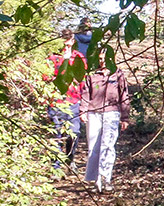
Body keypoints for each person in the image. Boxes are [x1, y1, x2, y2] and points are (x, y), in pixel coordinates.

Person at [79, 64, 131, 192]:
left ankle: (106, 178)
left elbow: (124, 95)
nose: (102, 61)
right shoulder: (91, 73)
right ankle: (95, 180)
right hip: (94, 112)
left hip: (112, 112)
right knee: (93, 147)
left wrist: (125, 117)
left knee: (108, 145)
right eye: (100, 59)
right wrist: (83, 111)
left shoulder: (117, 73)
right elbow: (86, 93)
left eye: (104, 58)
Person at [44, 36, 85, 170]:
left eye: (69, 44)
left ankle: (70, 157)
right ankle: (56, 166)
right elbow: (45, 79)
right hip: (56, 102)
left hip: (73, 101)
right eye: (64, 45)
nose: (66, 48)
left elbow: (83, 81)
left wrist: (84, 103)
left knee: (74, 133)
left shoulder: (79, 58)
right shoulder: (53, 59)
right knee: (56, 134)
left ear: (73, 42)